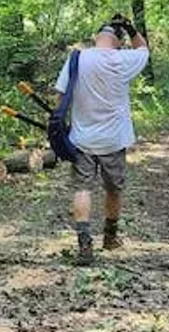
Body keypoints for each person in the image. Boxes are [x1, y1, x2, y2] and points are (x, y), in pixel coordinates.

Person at [54, 15, 149, 266]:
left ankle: (84, 243)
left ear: (96, 37)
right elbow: (143, 50)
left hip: (82, 138)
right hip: (114, 140)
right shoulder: (123, 59)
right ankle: (110, 237)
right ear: (118, 42)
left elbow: (60, 95)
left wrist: (62, 127)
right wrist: (131, 28)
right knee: (113, 189)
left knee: (82, 188)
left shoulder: (77, 57)